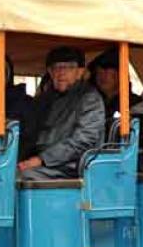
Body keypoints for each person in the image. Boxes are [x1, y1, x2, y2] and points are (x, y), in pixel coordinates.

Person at [18, 46, 105, 180]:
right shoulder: (44, 99)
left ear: (80, 72)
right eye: (56, 68)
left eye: (69, 67)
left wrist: (42, 159)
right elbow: (30, 133)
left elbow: (83, 140)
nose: (61, 73)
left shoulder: (90, 98)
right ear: (50, 72)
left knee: (22, 177)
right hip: (44, 161)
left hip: (73, 165)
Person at [88, 47, 142, 135]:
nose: (103, 78)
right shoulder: (88, 101)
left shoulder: (134, 103)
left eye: (109, 74)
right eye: (99, 73)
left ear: (120, 76)